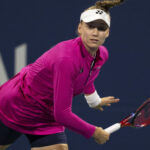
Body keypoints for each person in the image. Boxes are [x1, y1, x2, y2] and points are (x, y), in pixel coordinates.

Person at [0, 0, 125, 150]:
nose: (95, 32)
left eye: (101, 28)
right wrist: (94, 132)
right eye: (90, 26)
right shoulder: (65, 60)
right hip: (17, 105)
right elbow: (62, 114)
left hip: (46, 113)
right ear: (80, 28)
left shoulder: (101, 54)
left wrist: (94, 101)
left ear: (107, 33)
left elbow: (86, 77)